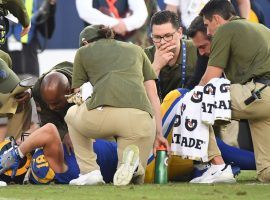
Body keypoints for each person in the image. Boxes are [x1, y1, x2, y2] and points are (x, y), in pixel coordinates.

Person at [65, 24, 169, 186]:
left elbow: (78, 93)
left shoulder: (83, 52)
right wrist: (159, 133)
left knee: (71, 113)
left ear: (85, 43)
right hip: (142, 120)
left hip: (102, 117)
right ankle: (135, 168)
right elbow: (152, 94)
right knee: (132, 182)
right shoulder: (136, 49)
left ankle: (90, 171)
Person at [199, 0, 270, 182]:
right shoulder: (262, 28)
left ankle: (217, 167)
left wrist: (189, 96)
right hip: (262, 99)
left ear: (216, 19)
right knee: (266, 173)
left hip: (258, 93)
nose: (208, 32)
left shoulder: (225, 29)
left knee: (196, 104)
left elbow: (210, 78)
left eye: (207, 25)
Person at [0, 123, 118, 185]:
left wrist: (22, 142)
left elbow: (35, 127)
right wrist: (17, 152)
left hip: (113, 161)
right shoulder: (40, 167)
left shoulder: (36, 171)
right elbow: (49, 130)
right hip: (118, 157)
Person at [144, 10, 198, 100]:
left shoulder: (196, 49)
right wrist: (155, 67)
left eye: (168, 36)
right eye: (157, 37)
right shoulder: (145, 56)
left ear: (180, 33)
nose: (162, 42)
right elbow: (139, 96)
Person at [2, 0, 56, 77]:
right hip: (3, 72)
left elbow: (48, 33)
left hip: (29, 70)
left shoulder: (34, 2)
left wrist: (51, 6)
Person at [75, 0, 148, 46]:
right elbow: (85, 11)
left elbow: (141, 13)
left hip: (126, 45)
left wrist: (125, 25)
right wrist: (114, 24)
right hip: (97, 45)